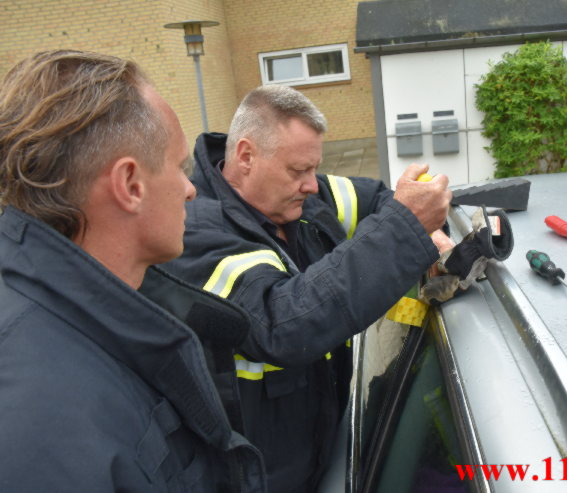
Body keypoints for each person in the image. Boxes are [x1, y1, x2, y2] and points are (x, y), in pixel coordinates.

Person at [162, 84, 452, 492]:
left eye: (314, 169)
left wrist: (431, 232)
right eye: (298, 170)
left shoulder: (299, 197)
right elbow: (281, 322)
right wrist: (405, 230)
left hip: (318, 459)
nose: (313, 185)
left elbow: (380, 202)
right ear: (245, 156)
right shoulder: (195, 233)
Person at [0, 50, 264, 492]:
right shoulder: (44, 423)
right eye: (179, 167)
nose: (190, 188)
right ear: (129, 185)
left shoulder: (66, 315)